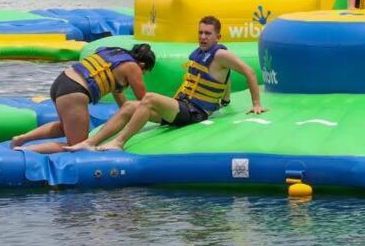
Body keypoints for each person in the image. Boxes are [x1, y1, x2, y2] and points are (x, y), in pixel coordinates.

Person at [69, 16, 267, 152]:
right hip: (182, 107)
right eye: (200, 32)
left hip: (194, 112)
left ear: (218, 37)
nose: (203, 37)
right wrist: (225, 100)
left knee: (149, 98)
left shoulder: (221, 54)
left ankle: (119, 142)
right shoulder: (200, 54)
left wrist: (256, 103)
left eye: (208, 33)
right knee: (129, 105)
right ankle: (90, 142)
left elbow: (248, 71)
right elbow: (224, 78)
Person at [10, 44, 156, 153]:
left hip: (62, 82)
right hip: (75, 91)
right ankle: (28, 151)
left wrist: (128, 119)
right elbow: (144, 99)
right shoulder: (133, 67)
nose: (141, 75)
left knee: (64, 127)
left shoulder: (113, 54)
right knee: (78, 145)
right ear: (142, 64)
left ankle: (22, 139)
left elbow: (120, 98)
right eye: (144, 72)